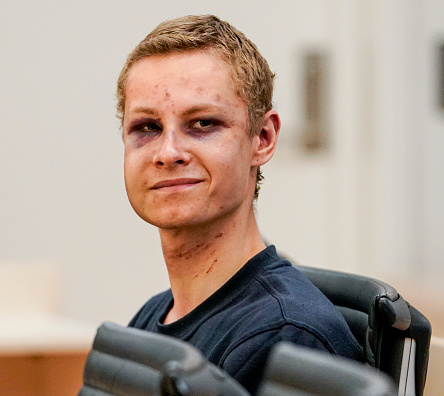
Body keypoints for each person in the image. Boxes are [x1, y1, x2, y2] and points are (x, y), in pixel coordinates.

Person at [118, 14, 363, 394]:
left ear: (262, 138)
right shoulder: (153, 316)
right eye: (146, 127)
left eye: (202, 124)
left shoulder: (290, 339)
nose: (167, 153)